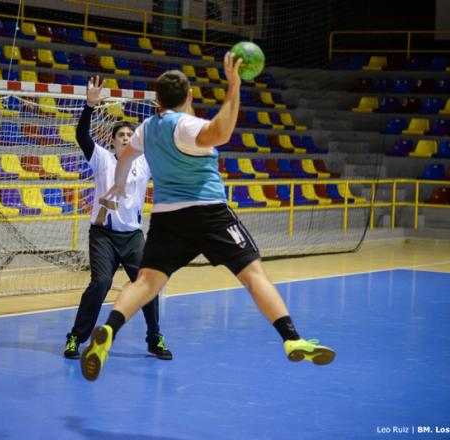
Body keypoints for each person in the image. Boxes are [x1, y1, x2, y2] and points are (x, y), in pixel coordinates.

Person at [80, 53, 335, 381]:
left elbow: (126, 156)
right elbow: (222, 132)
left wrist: (117, 184)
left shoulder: (146, 129)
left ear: (156, 99)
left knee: (146, 282)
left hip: (168, 217)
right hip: (209, 213)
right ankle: (291, 338)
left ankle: (109, 332)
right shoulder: (186, 125)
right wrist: (234, 86)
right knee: (253, 274)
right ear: (189, 97)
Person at [63, 76, 172, 361]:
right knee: (100, 283)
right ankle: (75, 339)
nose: (126, 138)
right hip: (103, 235)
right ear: (112, 141)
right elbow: (82, 137)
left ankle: (154, 338)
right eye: (121, 135)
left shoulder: (145, 162)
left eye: (129, 135)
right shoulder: (102, 158)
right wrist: (90, 106)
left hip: (133, 236)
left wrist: (164, 110)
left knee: (147, 286)